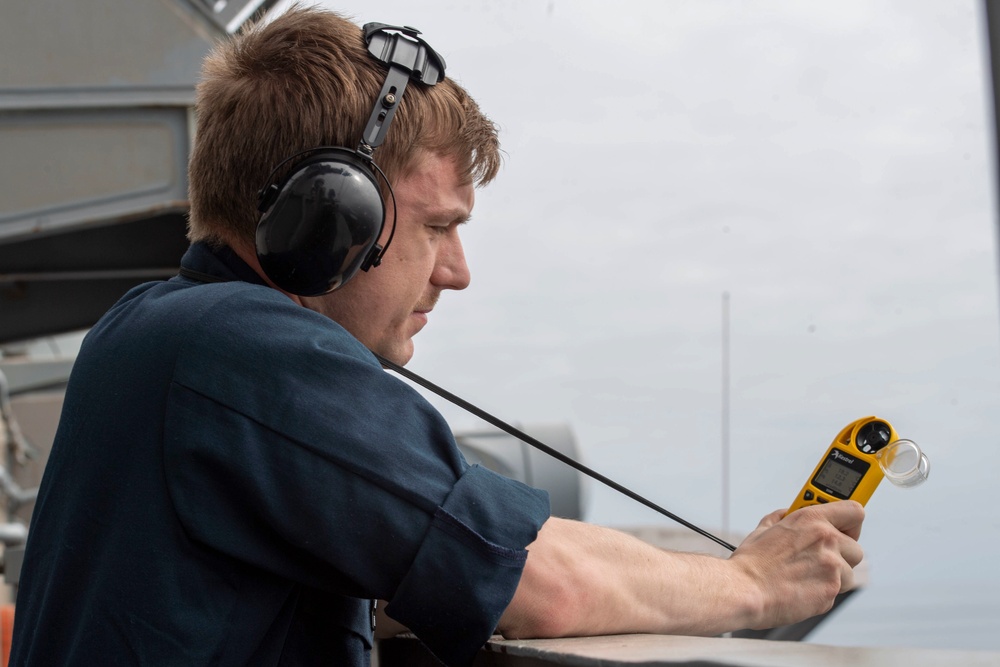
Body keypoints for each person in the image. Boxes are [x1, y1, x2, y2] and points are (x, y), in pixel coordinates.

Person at [9, 6, 865, 667]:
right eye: (436, 226)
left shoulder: (149, 328)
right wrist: (751, 582)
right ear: (328, 220)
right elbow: (539, 582)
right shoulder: (241, 348)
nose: (456, 271)